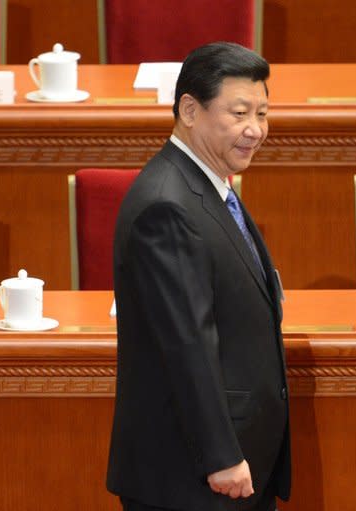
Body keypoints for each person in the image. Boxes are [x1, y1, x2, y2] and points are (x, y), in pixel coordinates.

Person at [106, 42, 290, 511]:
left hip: (225, 468)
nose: (256, 130)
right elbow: (187, 341)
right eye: (240, 113)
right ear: (190, 109)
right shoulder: (167, 204)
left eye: (263, 113)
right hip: (194, 479)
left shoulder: (206, 185)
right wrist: (222, 455)